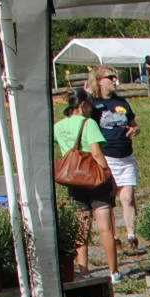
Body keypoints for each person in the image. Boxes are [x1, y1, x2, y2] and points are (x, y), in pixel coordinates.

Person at [53, 89, 120, 278]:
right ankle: (114, 271)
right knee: (105, 227)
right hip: (95, 179)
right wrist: (109, 176)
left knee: (81, 229)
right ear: (83, 105)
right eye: (90, 105)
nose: (92, 109)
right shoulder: (89, 123)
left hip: (74, 180)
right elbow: (96, 153)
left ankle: (84, 270)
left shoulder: (58, 126)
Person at [84, 65, 141, 246]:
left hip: (126, 155)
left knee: (128, 197)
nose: (115, 80)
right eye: (110, 77)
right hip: (107, 156)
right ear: (99, 81)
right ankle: (113, 237)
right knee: (109, 199)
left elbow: (134, 123)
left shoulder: (121, 102)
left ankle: (131, 235)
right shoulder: (93, 104)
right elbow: (82, 118)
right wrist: (87, 95)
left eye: (115, 77)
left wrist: (135, 130)